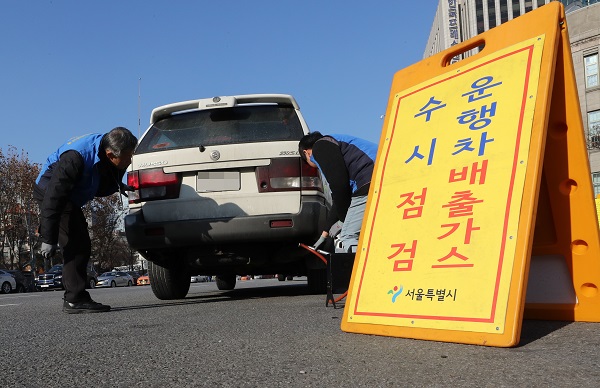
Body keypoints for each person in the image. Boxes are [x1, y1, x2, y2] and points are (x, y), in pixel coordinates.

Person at [34, 127, 138, 314]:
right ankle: (75, 299)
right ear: (110, 154)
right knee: (77, 243)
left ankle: (75, 297)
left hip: (71, 195)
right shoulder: (75, 158)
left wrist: (120, 186)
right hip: (51, 191)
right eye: (128, 156)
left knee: (79, 240)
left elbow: (100, 180)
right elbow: (54, 197)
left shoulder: (105, 150)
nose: (130, 161)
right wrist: (48, 238)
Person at [298, 131, 378, 253]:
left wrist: (343, 220)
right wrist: (324, 235)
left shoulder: (320, 146)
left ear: (306, 153)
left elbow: (340, 187)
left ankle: (363, 271)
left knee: (348, 236)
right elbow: (339, 197)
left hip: (368, 181)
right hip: (381, 177)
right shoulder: (338, 142)